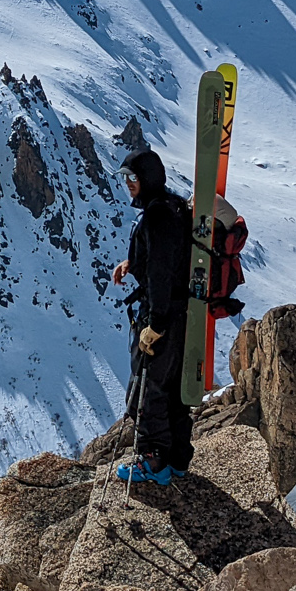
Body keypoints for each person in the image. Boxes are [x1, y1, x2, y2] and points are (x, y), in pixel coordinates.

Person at [110, 146, 194, 485]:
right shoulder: (171, 208)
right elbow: (168, 258)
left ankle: (152, 460)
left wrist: (154, 326)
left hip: (160, 317)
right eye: (126, 177)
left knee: (148, 387)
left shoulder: (156, 217)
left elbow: (160, 274)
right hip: (180, 314)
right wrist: (132, 264)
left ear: (148, 179)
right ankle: (176, 459)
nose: (128, 183)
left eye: (133, 177)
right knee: (172, 388)